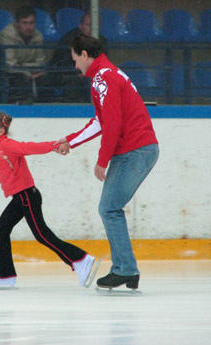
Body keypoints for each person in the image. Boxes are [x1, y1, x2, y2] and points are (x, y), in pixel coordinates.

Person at [0, 111, 100, 290]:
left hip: (26, 195)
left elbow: (30, 147)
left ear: (1, 131)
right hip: (20, 197)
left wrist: (54, 146)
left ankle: (80, 259)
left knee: (41, 234)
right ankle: (4, 274)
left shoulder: (8, 146)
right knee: (1, 228)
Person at [55, 34, 159, 290]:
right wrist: (71, 140)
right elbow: (102, 121)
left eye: (75, 59)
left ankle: (125, 269)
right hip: (139, 149)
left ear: (84, 55)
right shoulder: (108, 74)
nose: (75, 65)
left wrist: (102, 160)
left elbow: (112, 124)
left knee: (109, 209)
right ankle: (127, 270)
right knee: (110, 208)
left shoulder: (104, 78)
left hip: (134, 150)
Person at [49, 12, 107, 102]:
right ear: (80, 26)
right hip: (68, 74)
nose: (92, 29)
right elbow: (60, 62)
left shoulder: (102, 41)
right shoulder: (69, 39)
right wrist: (77, 71)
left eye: (95, 25)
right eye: (88, 25)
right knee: (73, 81)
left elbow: (103, 64)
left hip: (89, 75)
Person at [0, 6, 51, 102]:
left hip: (32, 74)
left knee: (48, 80)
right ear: (16, 23)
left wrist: (25, 68)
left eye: (31, 23)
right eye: (24, 23)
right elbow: (10, 66)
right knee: (20, 81)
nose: (28, 27)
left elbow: (40, 63)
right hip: (11, 75)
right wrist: (28, 73)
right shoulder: (6, 35)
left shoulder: (38, 36)